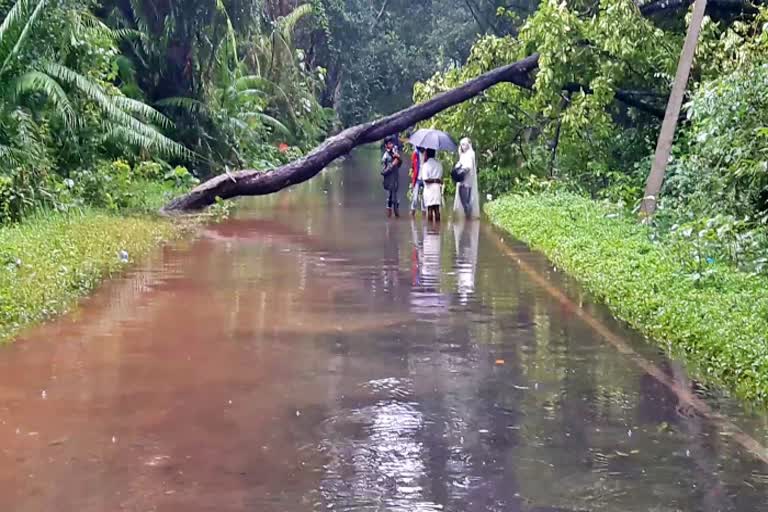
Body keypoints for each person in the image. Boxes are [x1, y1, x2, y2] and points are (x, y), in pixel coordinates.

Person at [453, 137, 481, 219]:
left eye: (464, 144)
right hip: (466, 181)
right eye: (461, 145)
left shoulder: (469, 154)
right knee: (466, 202)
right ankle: (468, 218)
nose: (462, 146)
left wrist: (461, 171)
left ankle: (468, 218)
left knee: (465, 202)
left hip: (465, 181)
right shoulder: (466, 154)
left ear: (468, 145)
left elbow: (468, 167)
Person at [381, 136, 402, 218]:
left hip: (395, 180)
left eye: (392, 143)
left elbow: (399, 165)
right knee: (390, 199)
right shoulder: (385, 157)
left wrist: (399, 159)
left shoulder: (394, 154)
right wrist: (392, 165)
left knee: (395, 199)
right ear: (386, 145)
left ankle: (396, 216)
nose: (391, 145)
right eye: (389, 143)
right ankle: (390, 217)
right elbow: (383, 172)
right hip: (388, 182)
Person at [421, 148, 444, 222]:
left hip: (429, 189)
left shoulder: (425, 165)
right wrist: (436, 180)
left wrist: (433, 180)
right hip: (437, 189)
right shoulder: (439, 164)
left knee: (430, 209)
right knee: (437, 209)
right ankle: (437, 229)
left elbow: (425, 179)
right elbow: (440, 177)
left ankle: (430, 230)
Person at [409, 146, 425, 217]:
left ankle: (424, 212)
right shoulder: (415, 154)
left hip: (425, 177)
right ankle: (413, 211)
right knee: (415, 197)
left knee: (424, 197)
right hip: (417, 178)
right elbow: (413, 166)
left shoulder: (427, 153)